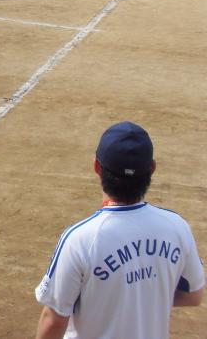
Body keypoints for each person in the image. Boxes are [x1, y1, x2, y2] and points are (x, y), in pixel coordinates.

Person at [34, 121, 204, 339]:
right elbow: (193, 296)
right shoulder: (176, 226)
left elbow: (53, 320)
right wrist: (142, 295)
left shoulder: (80, 239)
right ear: (152, 169)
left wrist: (114, 297)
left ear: (97, 167)